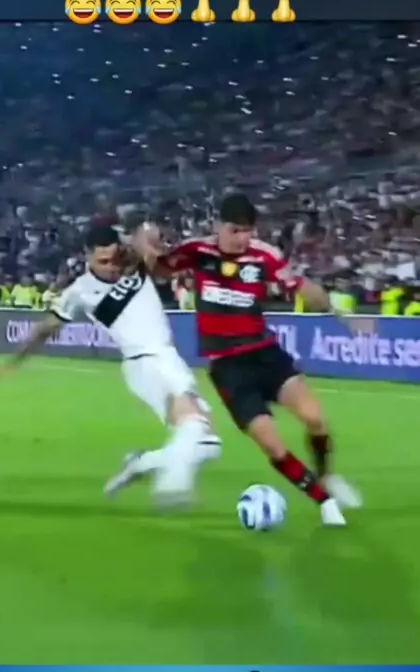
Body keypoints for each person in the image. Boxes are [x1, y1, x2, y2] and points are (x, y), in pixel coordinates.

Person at [134, 194, 363, 527]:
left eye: (247, 231)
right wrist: (147, 246)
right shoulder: (197, 251)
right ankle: (324, 502)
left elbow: (299, 286)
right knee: (273, 445)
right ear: (218, 226)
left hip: (264, 353)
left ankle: (326, 477)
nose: (241, 238)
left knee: (315, 419)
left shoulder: (264, 256)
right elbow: (159, 268)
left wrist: (329, 305)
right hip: (228, 367)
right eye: (235, 230)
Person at [0, 222, 221, 505]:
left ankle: (142, 462)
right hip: (145, 361)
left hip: (165, 357)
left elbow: (148, 233)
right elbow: (44, 330)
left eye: (114, 259)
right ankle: (172, 484)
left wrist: (145, 238)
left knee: (208, 444)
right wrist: (15, 361)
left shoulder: (133, 262)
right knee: (194, 423)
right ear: (88, 256)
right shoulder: (80, 292)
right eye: (103, 261)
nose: (111, 267)